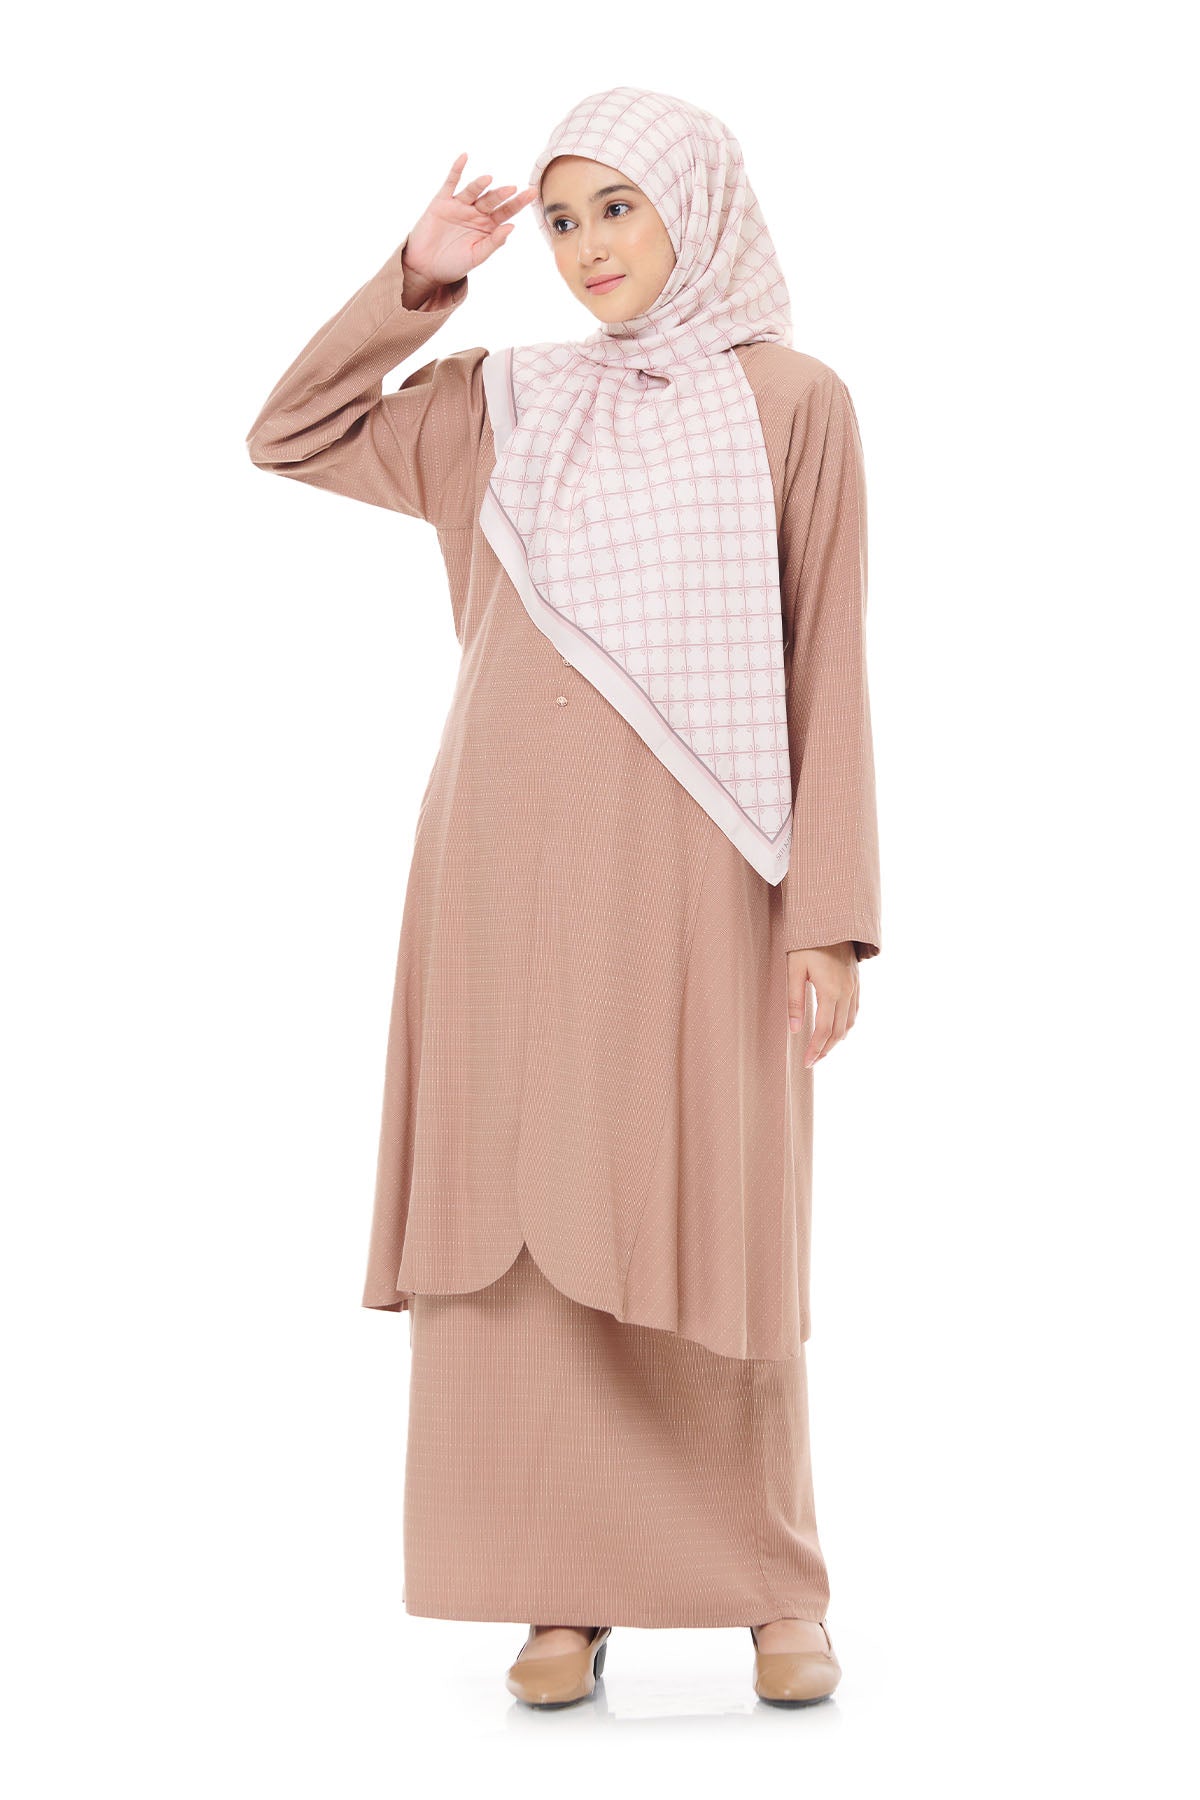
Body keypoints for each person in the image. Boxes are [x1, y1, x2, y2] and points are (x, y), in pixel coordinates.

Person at [245, 85, 881, 1710]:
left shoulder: (792, 402)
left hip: (701, 879)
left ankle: (770, 1588)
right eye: (563, 216)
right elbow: (291, 433)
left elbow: (830, 665)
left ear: (698, 209)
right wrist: (420, 275)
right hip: (499, 869)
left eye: (620, 206)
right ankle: (560, 1590)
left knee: (704, 1208)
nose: (589, 246)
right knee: (523, 1220)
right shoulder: (498, 403)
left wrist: (827, 916)